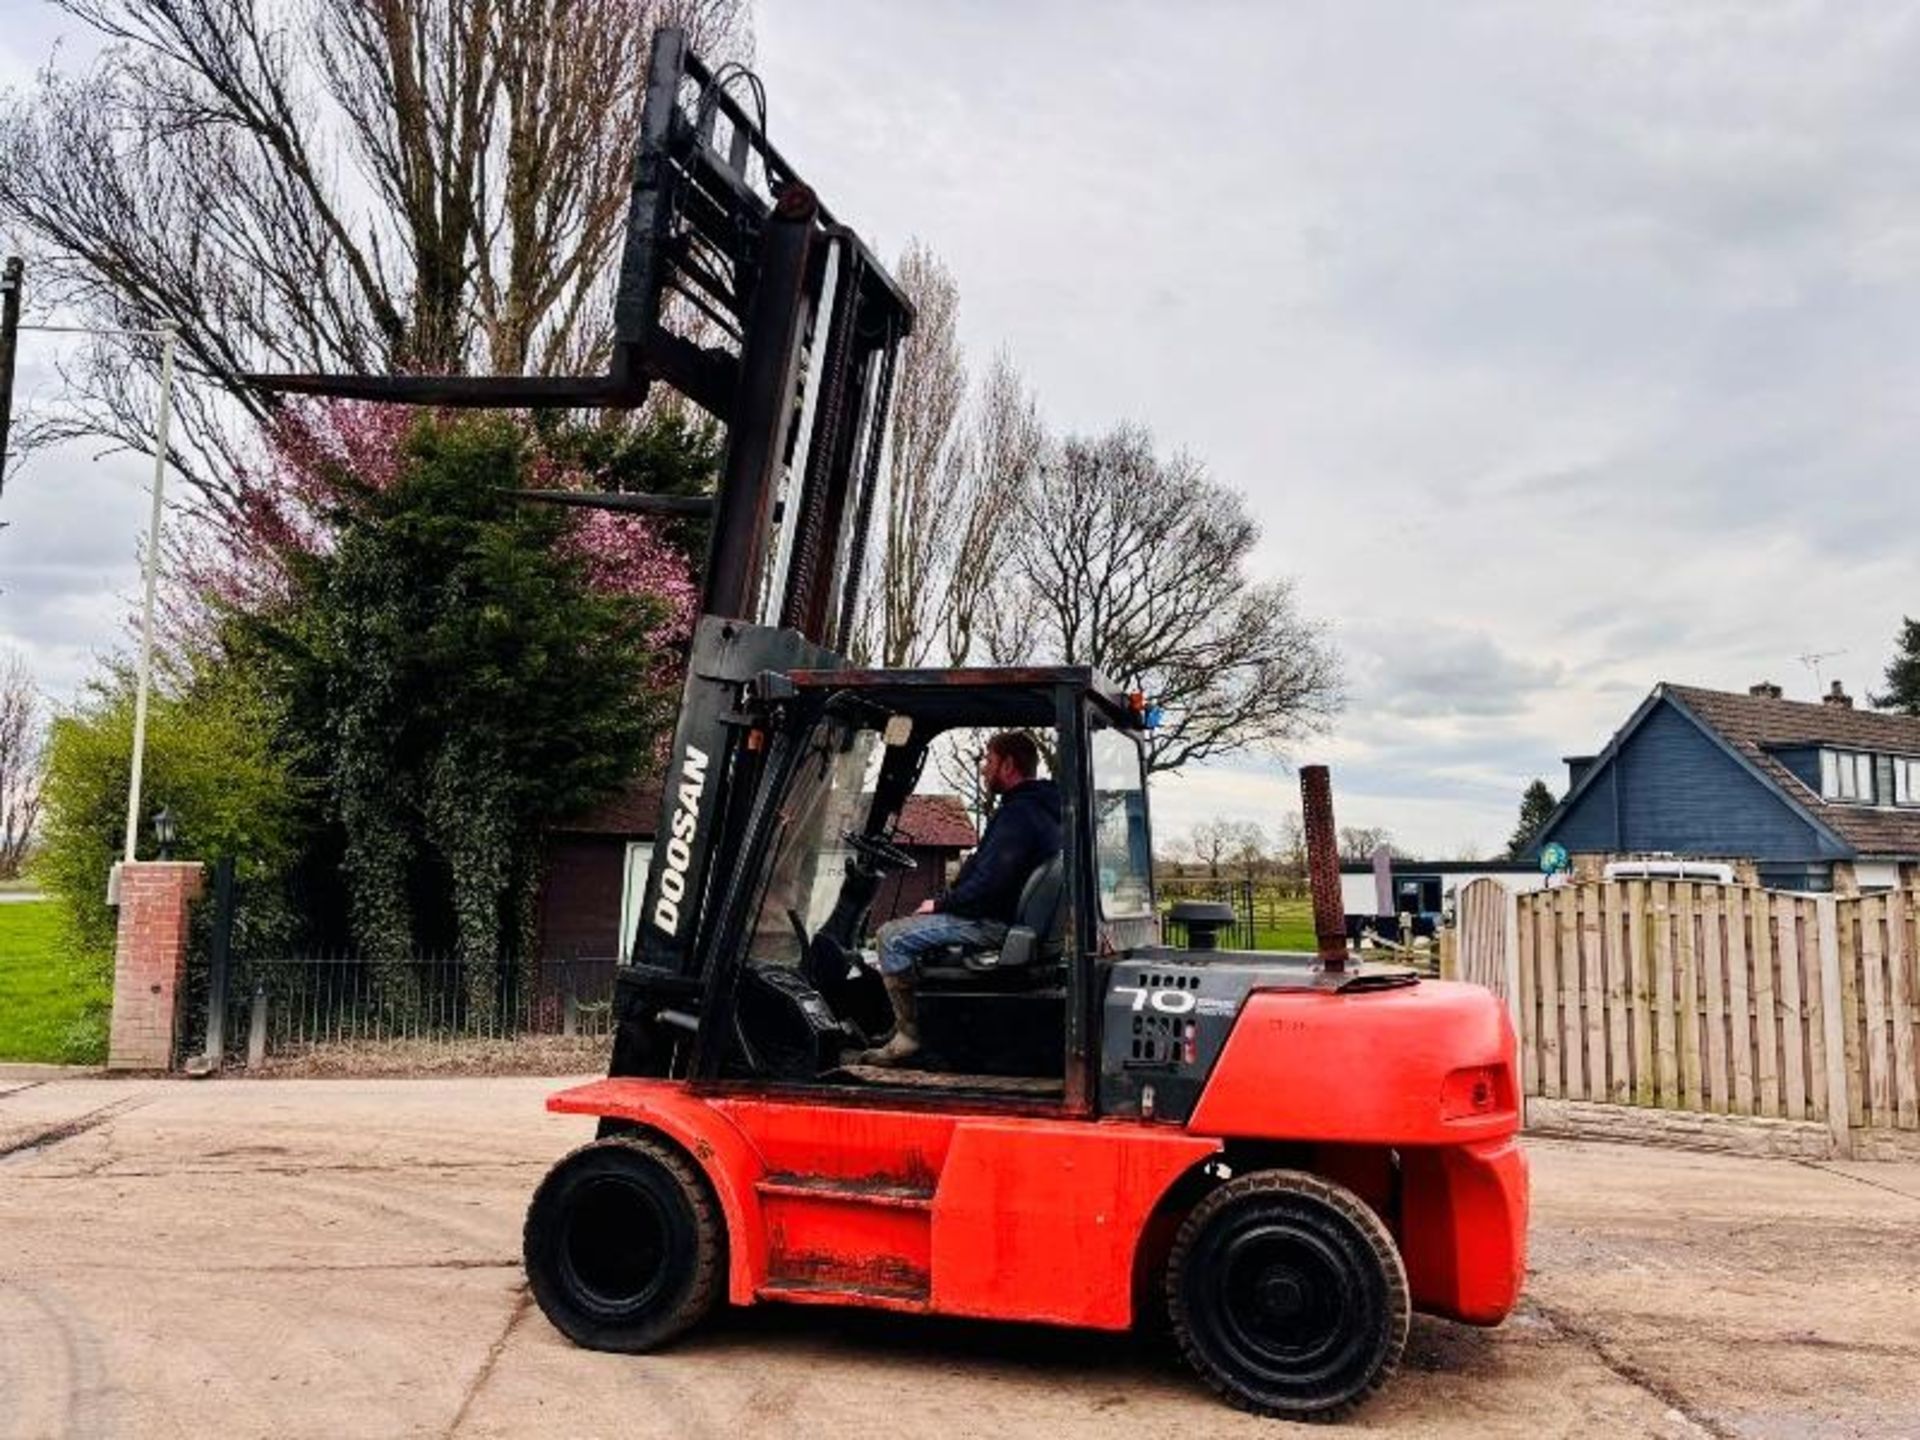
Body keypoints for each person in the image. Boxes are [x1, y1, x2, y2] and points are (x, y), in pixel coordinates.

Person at [855, 731, 1062, 1066]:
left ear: (1008, 765)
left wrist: (941, 904)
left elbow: (989, 884)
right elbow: (992, 876)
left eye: (988, 761)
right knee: (915, 929)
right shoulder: (1042, 810)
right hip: (1006, 918)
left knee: (891, 937)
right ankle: (906, 1025)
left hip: (992, 924)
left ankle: (909, 1037)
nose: (984, 769)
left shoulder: (1019, 816)